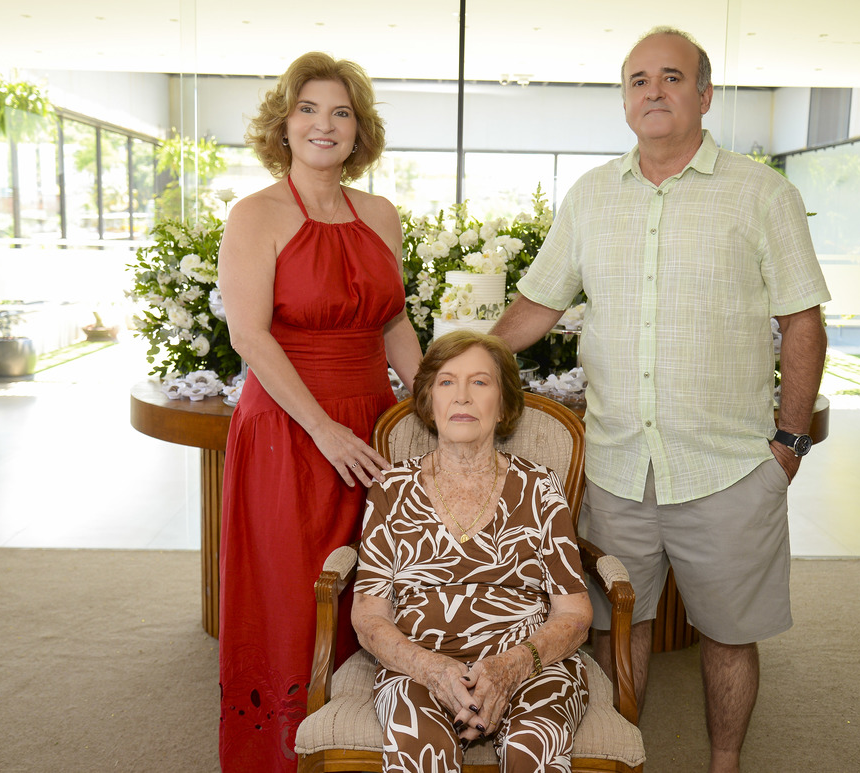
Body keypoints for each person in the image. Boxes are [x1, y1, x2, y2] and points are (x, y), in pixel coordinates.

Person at [491, 26, 830, 773]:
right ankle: (622, 756)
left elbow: (802, 320)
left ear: (704, 95)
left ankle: (724, 762)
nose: (654, 91)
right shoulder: (590, 196)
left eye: (671, 77)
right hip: (618, 466)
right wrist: (464, 359)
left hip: (729, 467)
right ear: (623, 101)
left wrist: (791, 442)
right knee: (618, 625)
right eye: (638, 80)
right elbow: (538, 305)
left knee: (729, 635)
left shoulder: (762, 193)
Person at [217, 52, 423, 772]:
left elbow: (393, 322)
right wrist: (323, 429)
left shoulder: (381, 215)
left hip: (372, 422)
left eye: (341, 112)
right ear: (283, 123)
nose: (323, 125)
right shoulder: (254, 214)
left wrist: (431, 406)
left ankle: (360, 745)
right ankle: (282, 755)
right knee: (294, 595)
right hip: (289, 425)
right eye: (308, 109)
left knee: (374, 587)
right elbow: (249, 336)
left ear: (359, 129)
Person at [351, 331, 593, 772]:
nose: (462, 395)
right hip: (419, 663)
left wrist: (511, 666)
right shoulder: (391, 488)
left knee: (533, 747)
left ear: (503, 404)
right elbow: (368, 616)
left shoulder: (540, 486)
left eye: (480, 382)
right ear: (429, 402)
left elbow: (575, 613)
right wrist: (432, 670)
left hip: (530, 660)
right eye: (446, 382)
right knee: (420, 749)